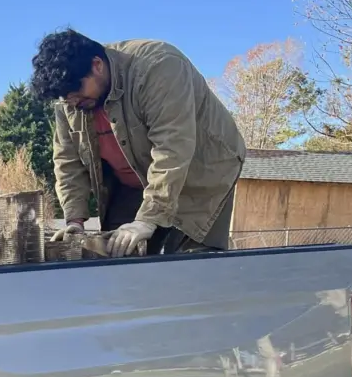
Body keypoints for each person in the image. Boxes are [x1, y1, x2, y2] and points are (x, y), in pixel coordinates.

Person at [31, 29, 246, 257]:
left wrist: (148, 219)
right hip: (132, 180)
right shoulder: (71, 101)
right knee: (117, 251)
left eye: (75, 91)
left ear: (97, 65)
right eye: (65, 97)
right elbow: (68, 162)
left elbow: (172, 148)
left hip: (201, 168)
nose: (72, 101)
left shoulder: (158, 66)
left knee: (188, 264)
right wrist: (75, 221)